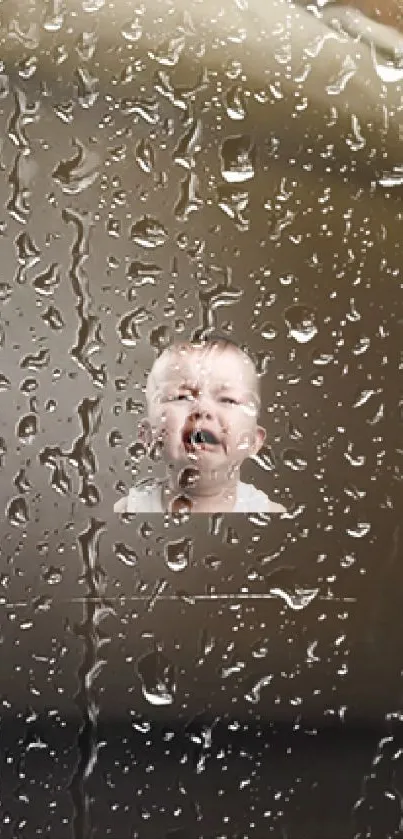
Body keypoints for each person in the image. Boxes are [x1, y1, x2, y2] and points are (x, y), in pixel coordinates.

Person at [114, 334, 286, 514]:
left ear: (253, 441)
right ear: (148, 435)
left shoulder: (267, 512)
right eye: (181, 397)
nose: (203, 409)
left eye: (228, 400)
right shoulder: (129, 509)